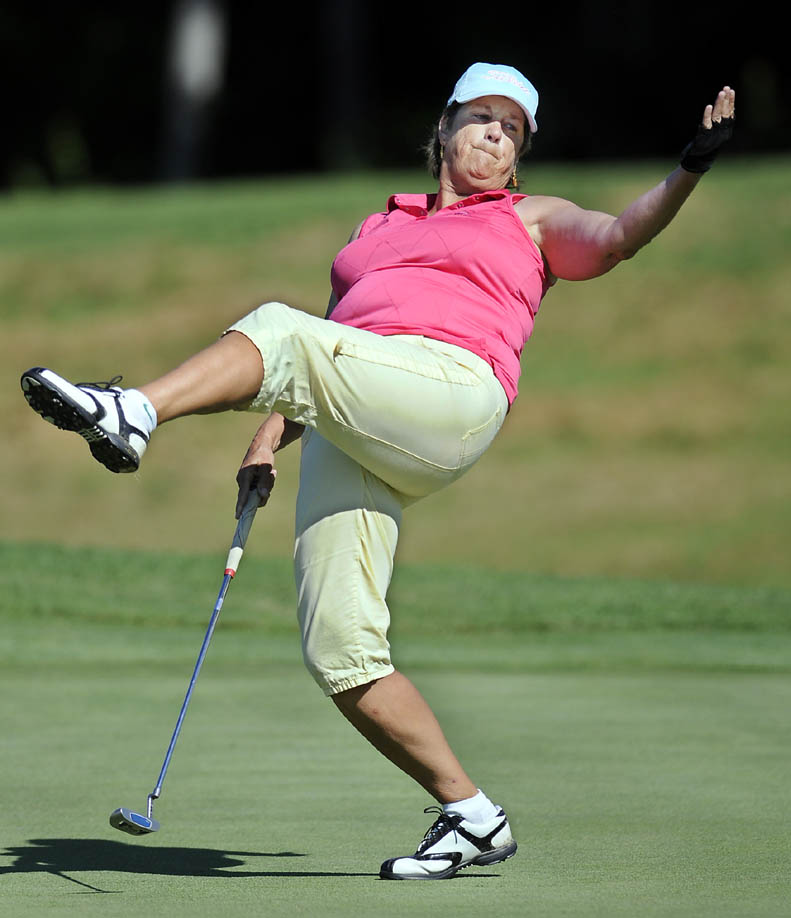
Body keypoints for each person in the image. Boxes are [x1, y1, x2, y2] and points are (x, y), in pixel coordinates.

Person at [20, 63, 735, 880]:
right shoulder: (373, 231)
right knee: (341, 646)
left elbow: (618, 238)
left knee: (277, 327)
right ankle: (470, 814)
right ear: (446, 123)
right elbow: (332, 348)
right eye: (483, 117)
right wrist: (267, 442)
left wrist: (691, 166)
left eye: (514, 129)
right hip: (357, 414)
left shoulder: (531, 218)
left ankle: (134, 412)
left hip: (452, 395)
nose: (497, 135)